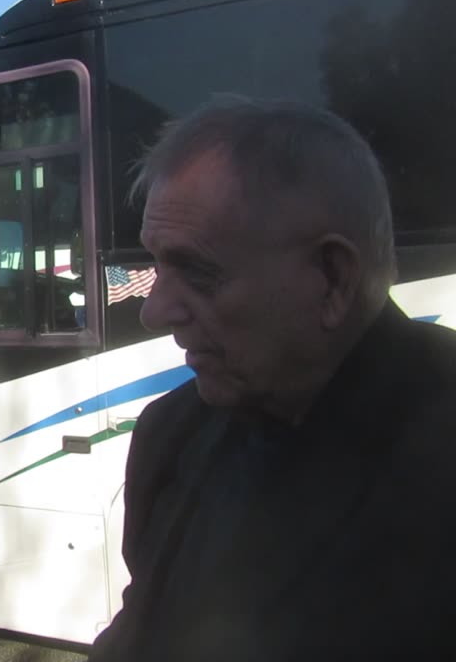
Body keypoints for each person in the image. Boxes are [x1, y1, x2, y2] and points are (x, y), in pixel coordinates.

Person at [88, 96, 456, 661]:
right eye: (158, 265)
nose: (153, 311)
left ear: (332, 278)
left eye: (198, 271)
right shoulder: (168, 433)